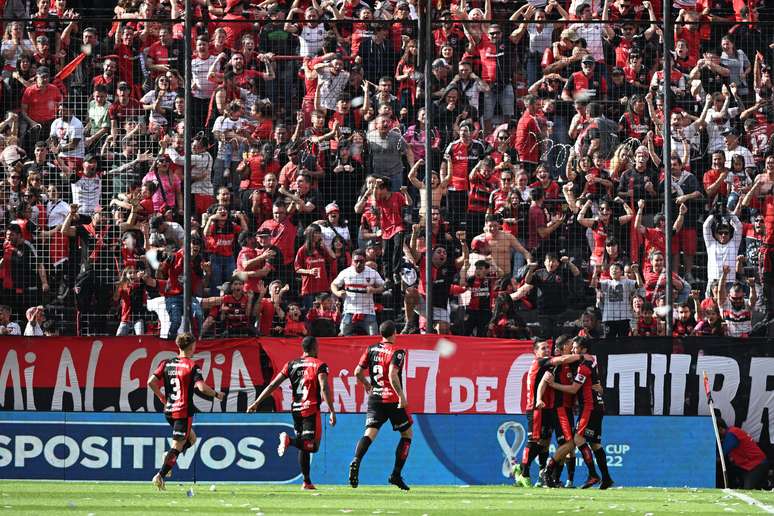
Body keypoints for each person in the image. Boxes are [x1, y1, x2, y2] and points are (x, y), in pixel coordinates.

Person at [247, 335, 336, 490]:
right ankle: (289, 440)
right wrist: (331, 410)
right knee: (312, 446)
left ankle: (306, 482)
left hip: (295, 410)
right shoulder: (320, 365)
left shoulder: (291, 365)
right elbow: (324, 387)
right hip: (310, 410)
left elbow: (274, 384)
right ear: (314, 348)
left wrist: (257, 402)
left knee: (304, 445)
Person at [147, 333, 225, 490]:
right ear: (192, 346)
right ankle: (161, 475)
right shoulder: (191, 366)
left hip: (169, 410)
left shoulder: (166, 363)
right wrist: (217, 394)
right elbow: (201, 387)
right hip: (182, 412)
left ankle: (169, 456)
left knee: (192, 439)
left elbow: (151, 382)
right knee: (178, 445)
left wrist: (162, 397)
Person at [513, 339, 586, 488]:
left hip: (546, 408)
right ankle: (524, 472)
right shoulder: (540, 362)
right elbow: (561, 362)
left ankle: (540, 474)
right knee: (534, 441)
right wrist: (582, 356)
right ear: (536, 352)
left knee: (544, 442)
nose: (547, 350)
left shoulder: (553, 365)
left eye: (547, 348)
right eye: (543, 348)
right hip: (535, 407)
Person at [541, 338, 613, 490]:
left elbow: (574, 389)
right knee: (594, 443)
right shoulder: (590, 360)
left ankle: (593, 475)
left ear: (584, 349)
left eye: (575, 348)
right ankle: (606, 478)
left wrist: (553, 384)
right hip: (597, 406)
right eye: (572, 347)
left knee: (577, 439)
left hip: (590, 406)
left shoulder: (583, 366)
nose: (573, 350)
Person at [349, 320, 412, 491]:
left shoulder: (371, 349)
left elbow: (357, 372)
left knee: (369, 433)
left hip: (375, 398)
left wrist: (367, 384)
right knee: (407, 435)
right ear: (394, 333)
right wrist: (401, 396)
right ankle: (396, 475)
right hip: (391, 399)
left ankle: (356, 459)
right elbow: (392, 374)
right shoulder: (397, 351)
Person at [331, 248, 385, 336]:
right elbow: (333, 284)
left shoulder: (372, 273)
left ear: (365, 260)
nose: (359, 264)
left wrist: (374, 290)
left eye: (361, 261)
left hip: (368, 311)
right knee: (343, 335)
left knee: (374, 336)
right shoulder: (346, 273)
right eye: (356, 261)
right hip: (349, 311)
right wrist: (337, 293)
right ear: (352, 261)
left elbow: (383, 286)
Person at [717, 417, 769, 490]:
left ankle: (765, 484)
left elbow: (720, 457)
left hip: (757, 465)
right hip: (750, 465)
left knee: (747, 491)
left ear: (719, 429)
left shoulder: (731, 435)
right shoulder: (733, 431)